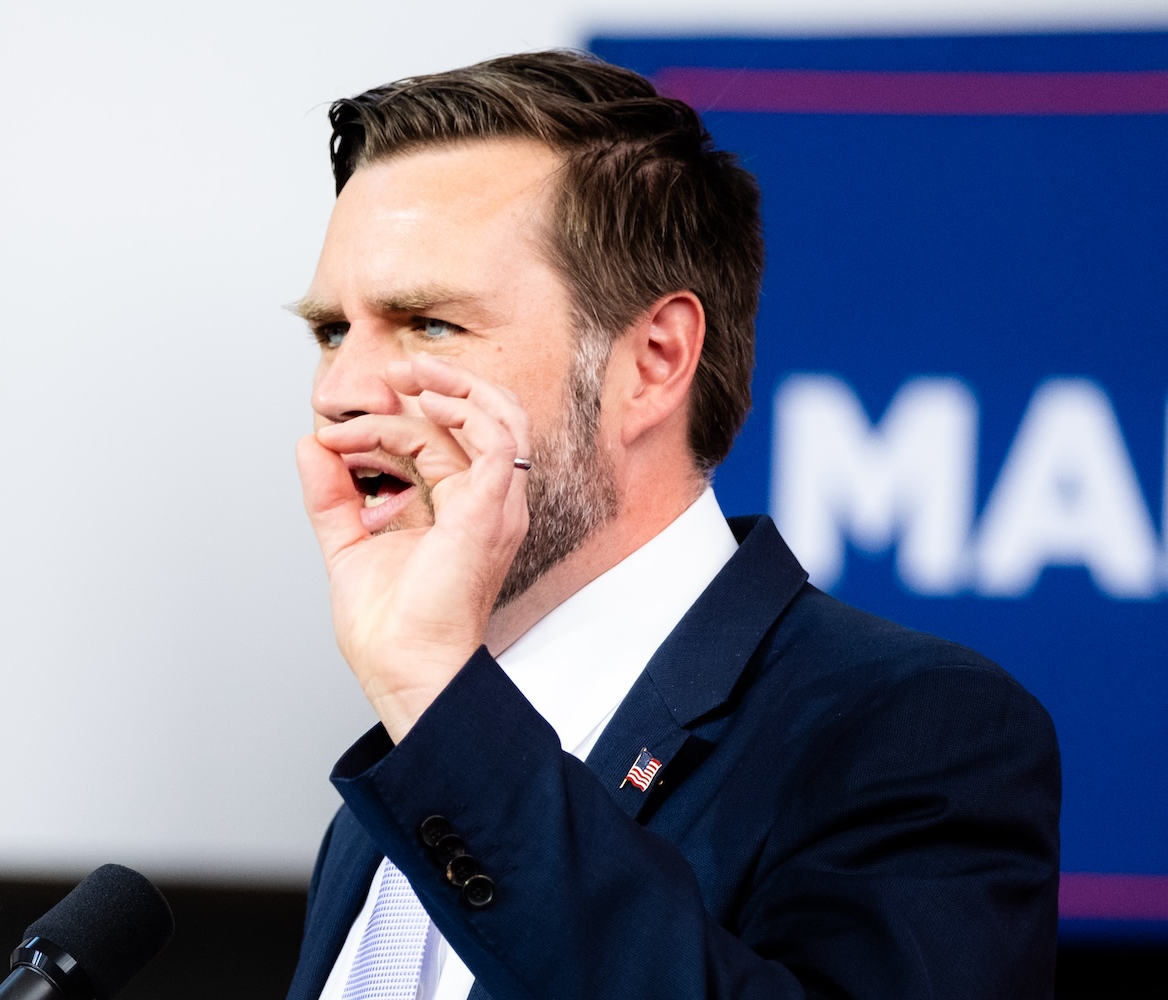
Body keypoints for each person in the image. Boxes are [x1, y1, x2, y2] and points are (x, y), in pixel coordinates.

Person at [286, 51, 1059, 1000]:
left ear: (653, 361)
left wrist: (444, 719)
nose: (342, 393)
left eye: (429, 323)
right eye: (332, 332)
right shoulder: (399, 788)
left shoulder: (912, 730)